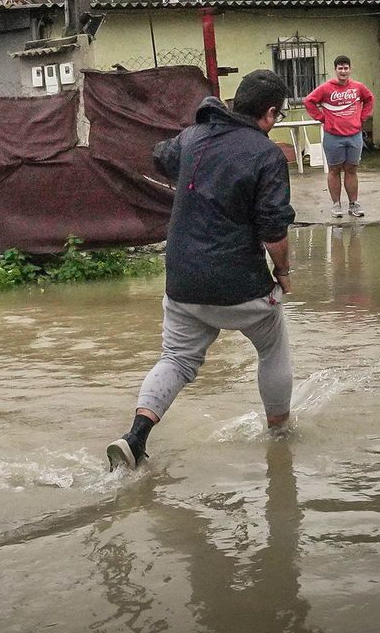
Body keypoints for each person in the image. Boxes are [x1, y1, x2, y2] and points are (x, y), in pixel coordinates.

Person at [107, 70, 297, 471]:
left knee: (175, 358)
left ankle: (135, 438)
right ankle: (280, 435)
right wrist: (284, 272)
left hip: (183, 283)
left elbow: (162, 156)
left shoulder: (193, 137)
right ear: (269, 113)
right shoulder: (266, 155)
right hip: (241, 286)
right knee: (272, 343)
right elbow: (274, 230)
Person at [303, 56, 375, 219]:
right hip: (333, 137)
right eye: (340, 68)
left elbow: (369, 99)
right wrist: (322, 118)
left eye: (346, 68)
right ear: (335, 70)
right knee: (334, 170)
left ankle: (353, 204)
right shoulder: (326, 88)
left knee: (351, 170)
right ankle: (336, 205)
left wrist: (362, 117)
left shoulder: (358, 87)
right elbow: (309, 102)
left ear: (350, 69)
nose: (343, 71)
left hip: (354, 136)